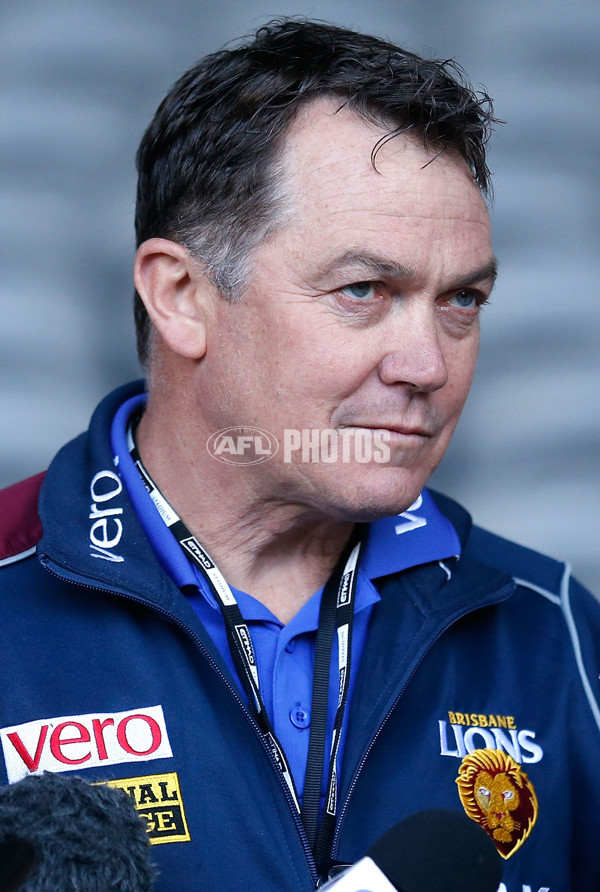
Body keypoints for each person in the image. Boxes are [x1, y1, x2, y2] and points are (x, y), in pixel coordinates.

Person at [0, 18, 598, 892]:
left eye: (462, 300)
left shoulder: (557, 636)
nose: (428, 365)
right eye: (364, 290)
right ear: (181, 296)